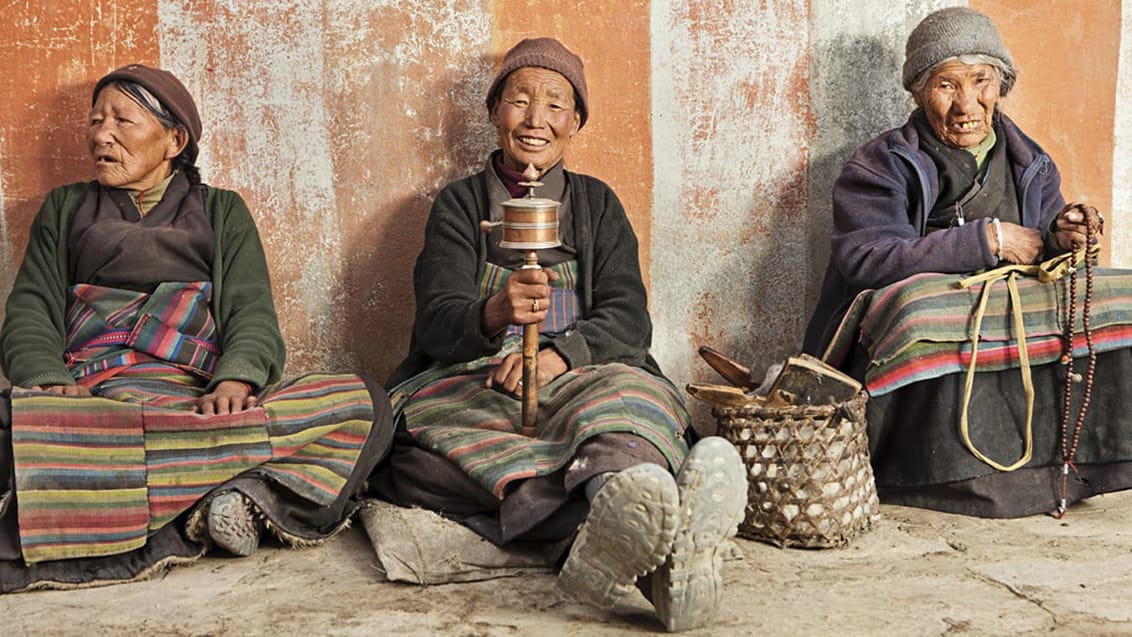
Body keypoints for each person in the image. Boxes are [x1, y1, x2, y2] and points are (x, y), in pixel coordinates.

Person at [372, 38, 745, 632]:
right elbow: (436, 319)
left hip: (583, 375)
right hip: (477, 378)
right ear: (495, 112)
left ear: (575, 123)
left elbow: (628, 316)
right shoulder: (459, 205)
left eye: (554, 105)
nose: (535, 119)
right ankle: (643, 549)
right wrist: (493, 313)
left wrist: (558, 357)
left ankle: (618, 504)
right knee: (420, 456)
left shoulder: (597, 204)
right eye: (519, 100)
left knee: (626, 415)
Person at [0, 64, 393, 592]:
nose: (101, 135)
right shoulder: (66, 207)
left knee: (358, 401)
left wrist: (235, 381)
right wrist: (47, 382)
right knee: (22, 422)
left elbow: (252, 311)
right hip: (97, 398)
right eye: (95, 121)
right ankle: (223, 493)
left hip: (192, 401)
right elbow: (30, 309)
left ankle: (172, 490)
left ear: (174, 140)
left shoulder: (221, 210)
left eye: (122, 121)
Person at [804, 8, 1132, 517]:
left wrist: (1063, 235)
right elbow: (866, 260)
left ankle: (1080, 462)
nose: (965, 104)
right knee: (919, 310)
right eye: (945, 84)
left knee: (1121, 293)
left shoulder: (1030, 161)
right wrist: (990, 240)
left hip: (1009, 314)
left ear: (1000, 85)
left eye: (981, 81)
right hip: (924, 323)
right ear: (917, 92)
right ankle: (941, 477)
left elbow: (1042, 241)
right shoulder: (879, 164)